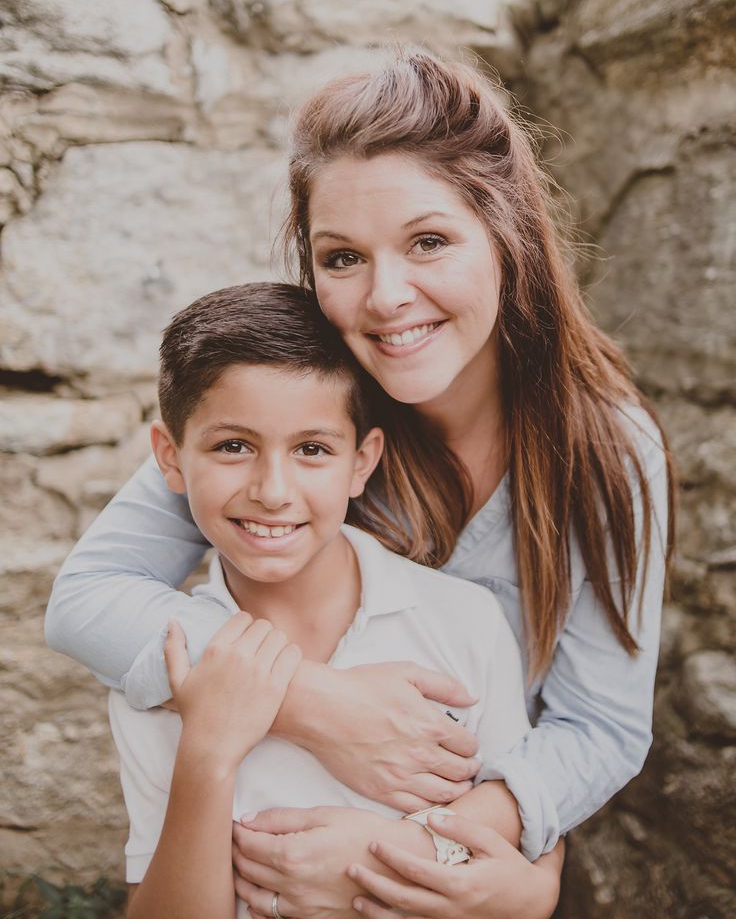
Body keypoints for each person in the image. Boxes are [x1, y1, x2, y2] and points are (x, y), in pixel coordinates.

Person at [45, 49, 674, 919]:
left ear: (507, 235)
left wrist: (421, 850)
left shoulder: (604, 448)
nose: (386, 298)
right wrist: (314, 703)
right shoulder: (306, 415)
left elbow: (600, 726)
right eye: (342, 258)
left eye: (428, 241)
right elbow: (86, 599)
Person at [111, 280, 556, 919]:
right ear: (170, 457)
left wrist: (383, 864)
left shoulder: (463, 623)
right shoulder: (160, 664)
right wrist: (208, 752)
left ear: (362, 461)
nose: (272, 489)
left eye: (312, 450)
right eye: (232, 446)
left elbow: (523, 860)